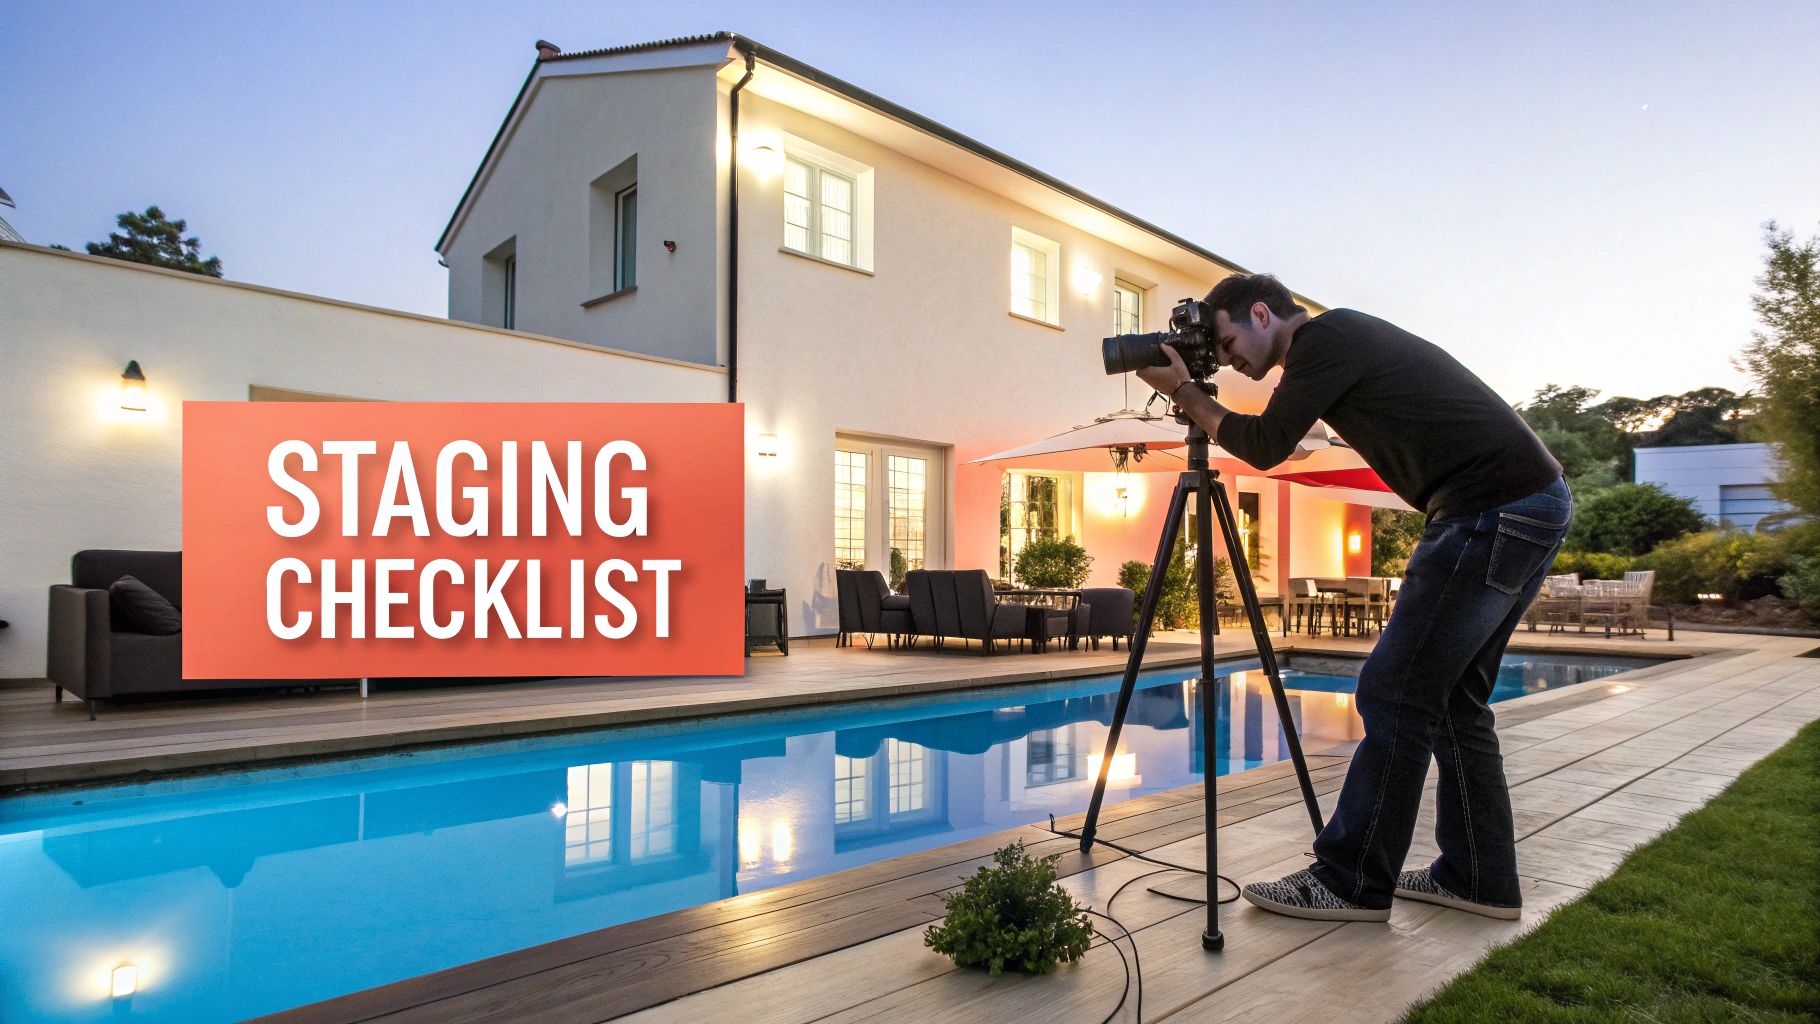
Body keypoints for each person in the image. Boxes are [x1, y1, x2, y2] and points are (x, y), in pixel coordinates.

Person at [1135, 273, 1570, 922]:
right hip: (1522, 503)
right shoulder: (1339, 341)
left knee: (1395, 690)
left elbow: (1264, 445)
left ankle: (1349, 881)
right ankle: (1478, 877)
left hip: (1488, 508)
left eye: (1228, 341)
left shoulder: (1324, 338)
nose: (1228, 358)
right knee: (1453, 700)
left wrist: (1186, 394)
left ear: (1263, 313)